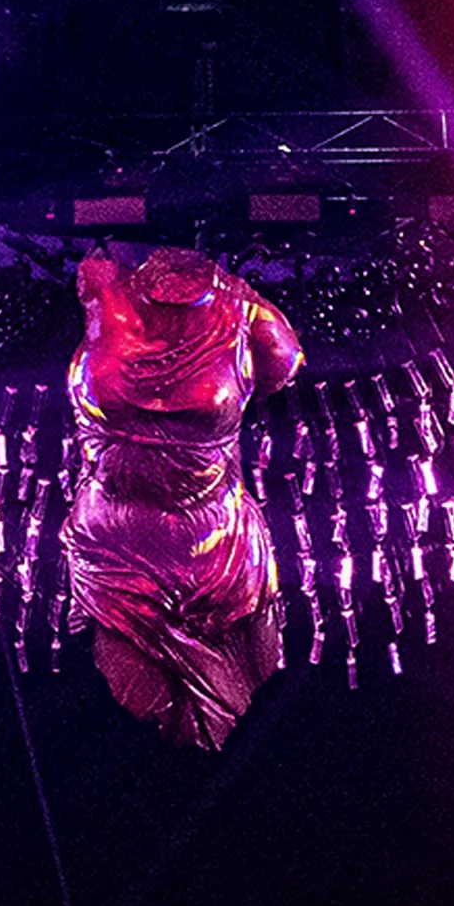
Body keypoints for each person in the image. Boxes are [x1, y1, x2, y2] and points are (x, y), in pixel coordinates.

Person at [64, 246, 303, 749]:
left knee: (236, 691)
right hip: (116, 552)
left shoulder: (242, 311)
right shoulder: (105, 289)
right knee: (134, 708)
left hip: (216, 550)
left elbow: (284, 363)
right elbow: (280, 368)